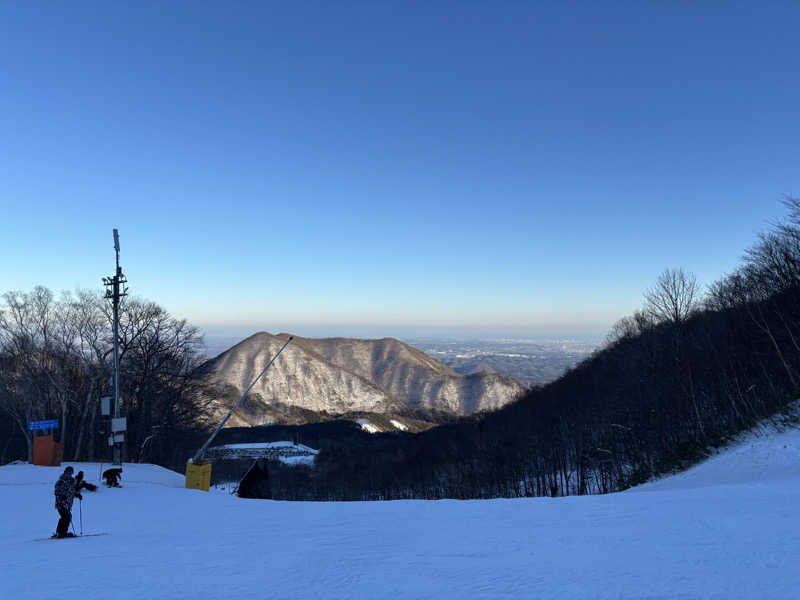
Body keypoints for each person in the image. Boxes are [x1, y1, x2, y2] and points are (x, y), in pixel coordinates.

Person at [53, 466, 82, 538]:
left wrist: (77, 495)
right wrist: (62, 495)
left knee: (67, 517)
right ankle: (60, 532)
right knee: (65, 516)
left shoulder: (71, 481)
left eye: (71, 472)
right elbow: (57, 491)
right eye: (68, 472)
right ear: (65, 472)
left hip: (68, 503)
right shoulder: (61, 480)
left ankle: (62, 532)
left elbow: (72, 491)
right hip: (61, 503)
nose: (69, 474)